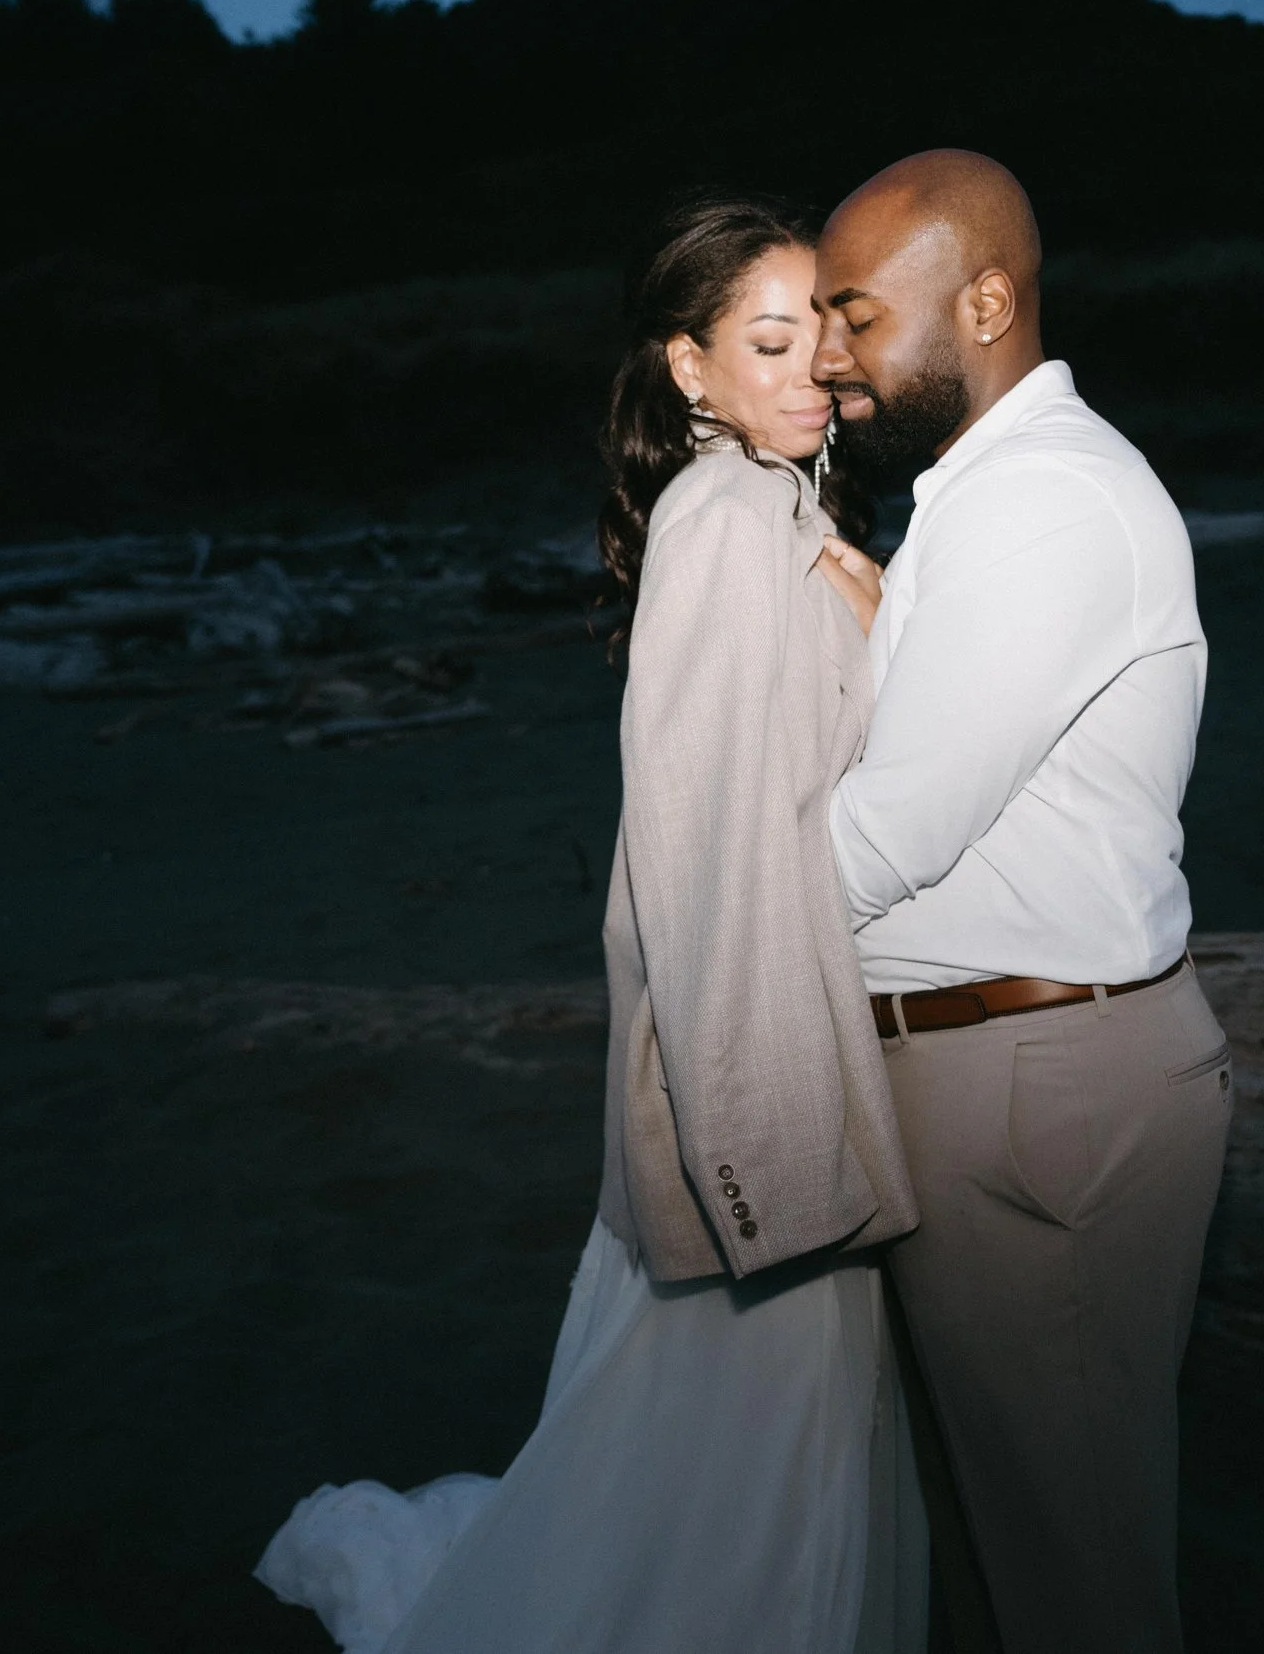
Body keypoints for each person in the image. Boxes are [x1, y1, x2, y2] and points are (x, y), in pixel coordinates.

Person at [253, 195, 928, 1654]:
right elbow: (702, 875)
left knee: (740, 1482)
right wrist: (772, 1165)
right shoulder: (725, 525)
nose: (813, 367)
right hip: (767, 1101)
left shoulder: (789, 510)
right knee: (736, 1487)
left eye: (825, 331)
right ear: (686, 368)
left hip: (793, 1071)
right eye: (766, 339)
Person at [811, 150, 1234, 1654]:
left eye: (859, 316)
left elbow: (886, 837)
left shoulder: (1044, 502)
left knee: (1077, 1580)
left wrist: (683, 903)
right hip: (1003, 1069)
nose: (836, 355)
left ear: (985, 300)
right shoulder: (978, 501)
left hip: (1030, 1091)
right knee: (1017, 1543)